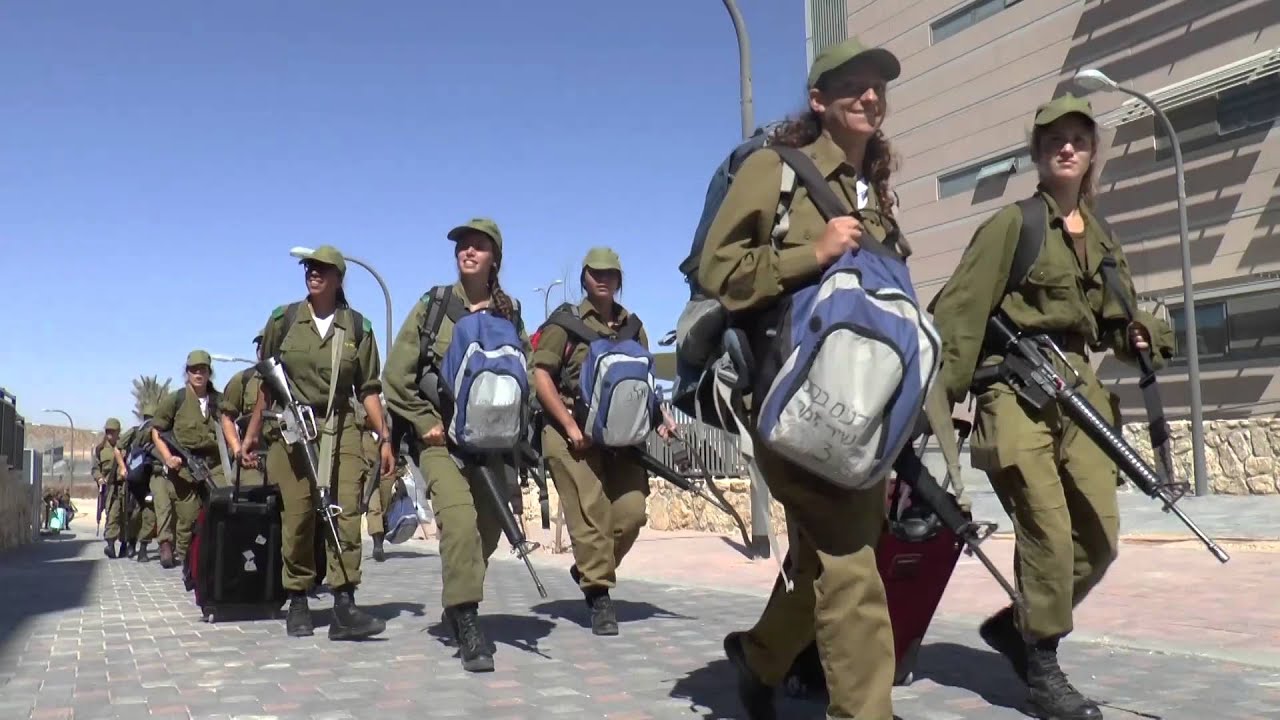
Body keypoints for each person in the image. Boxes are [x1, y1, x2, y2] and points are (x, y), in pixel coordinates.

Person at [928, 93, 1174, 720]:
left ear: (1091, 154)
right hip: (1015, 390)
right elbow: (959, 313)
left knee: (1100, 537)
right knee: (1048, 531)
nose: (1067, 147)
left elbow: (1116, 319)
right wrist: (935, 406)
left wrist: (1139, 333)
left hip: (1077, 390)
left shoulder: (1101, 238)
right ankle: (1042, 667)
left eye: (1079, 139)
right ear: (1037, 153)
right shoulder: (1013, 226)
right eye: (1054, 139)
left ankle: (1018, 627)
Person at [696, 35, 905, 720]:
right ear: (818, 99)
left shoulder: (873, 196)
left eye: (877, 85)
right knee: (850, 560)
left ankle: (760, 658)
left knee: (825, 558)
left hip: (860, 406)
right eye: (852, 84)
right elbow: (719, 271)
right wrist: (809, 254)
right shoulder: (775, 170)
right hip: (790, 401)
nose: (869, 94)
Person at [383, 217, 530, 672]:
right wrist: (425, 421)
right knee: (460, 524)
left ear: (494, 258)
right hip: (441, 441)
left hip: (493, 443)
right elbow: (395, 377)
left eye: (478, 246)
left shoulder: (510, 312)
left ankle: (457, 596)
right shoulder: (434, 305)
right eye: (463, 245)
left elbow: (522, 375)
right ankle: (467, 619)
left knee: (488, 531)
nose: (468, 251)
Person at [240, 244, 395, 641]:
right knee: (299, 517)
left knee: (345, 514)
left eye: (322, 269)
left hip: (341, 428)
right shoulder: (284, 320)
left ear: (339, 278)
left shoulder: (357, 327)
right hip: (293, 428)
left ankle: (344, 603)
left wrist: (385, 437)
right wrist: (252, 433)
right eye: (309, 267)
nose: (313, 273)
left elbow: (369, 389)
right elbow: (266, 382)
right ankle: (297, 598)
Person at [531, 246, 676, 638]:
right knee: (591, 514)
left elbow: (642, 382)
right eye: (595, 273)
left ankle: (589, 568)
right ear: (584, 278)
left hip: (621, 436)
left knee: (631, 513)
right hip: (570, 434)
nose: (602, 279)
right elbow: (540, 376)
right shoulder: (565, 323)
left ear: (619, 279)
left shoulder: (634, 327)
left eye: (610, 273)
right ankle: (599, 595)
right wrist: (570, 427)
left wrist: (660, 417)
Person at [151, 350, 225, 568]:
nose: (198, 374)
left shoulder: (219, 400)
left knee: (221, 507)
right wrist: (168, 458)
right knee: (187, 518)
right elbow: (157, 431)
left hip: (214, 465)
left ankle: (215, 558)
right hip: (183, 468)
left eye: (203, 369)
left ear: (209, 372)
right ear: (187, 372)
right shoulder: (176, 399)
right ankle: (186, 562)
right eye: (194, 370)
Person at [219, 334, 274, 488]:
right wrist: (238, 449)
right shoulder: (244, 379)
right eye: (261, 346)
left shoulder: (294, 377)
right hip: (253, 459)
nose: (263, 349)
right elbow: (227, 417)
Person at [119, 406, 160, 562]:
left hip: (147, 477)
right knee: (140, 514)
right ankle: (135, 544)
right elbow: (119, 448)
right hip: (140, 477)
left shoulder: (138, 431)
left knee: (145, 514)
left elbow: (118, 448)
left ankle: (141, 547)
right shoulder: (140, 431)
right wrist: (123, 467)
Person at [93, 418, 130, 558]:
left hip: (125, 486)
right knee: (112, 515)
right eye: (107, 431)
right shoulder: (100, 449)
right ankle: (110, 544)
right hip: (110, 487)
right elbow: (95, 469)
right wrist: (99, 478)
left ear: (118, 432)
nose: (110, 434)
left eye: (112, 432)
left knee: (126, 515)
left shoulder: (126, 448)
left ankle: (125, 544)